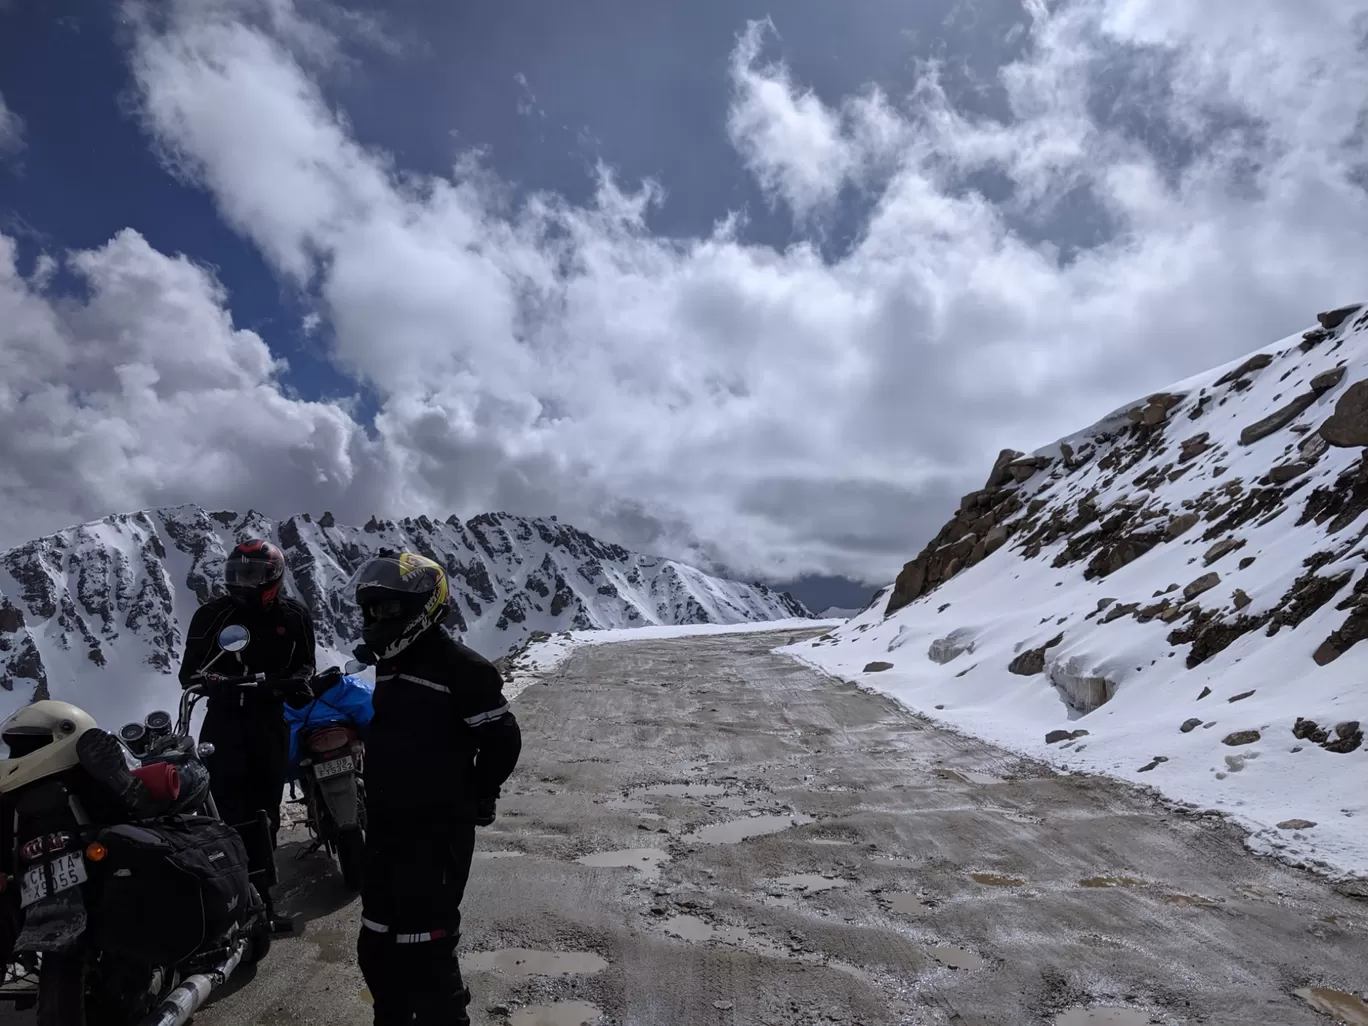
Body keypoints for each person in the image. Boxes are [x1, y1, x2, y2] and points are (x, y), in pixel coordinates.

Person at [350, 551, 522, 1026]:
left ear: (423, 607)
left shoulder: (461, 667)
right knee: (376, 945)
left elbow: (503, 737)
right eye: (369, 608)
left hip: (434, 831)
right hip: (385, 827)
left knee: (427, 950)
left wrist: (477, 793)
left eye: (386, 608)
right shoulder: (393, 660)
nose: (374, 618)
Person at [178, 538, 316, 934]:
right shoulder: (211, 616)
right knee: (220, 813)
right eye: (237, 574)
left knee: (264, 814)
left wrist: (284, 684)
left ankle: (261, 904)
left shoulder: (293, 616)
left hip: (268, 721)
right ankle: (220, 903)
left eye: (253, 575)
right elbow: (190, 672)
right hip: (222, 722)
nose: (243, 582)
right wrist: (219, 682)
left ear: (273, 576)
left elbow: (306, 662)